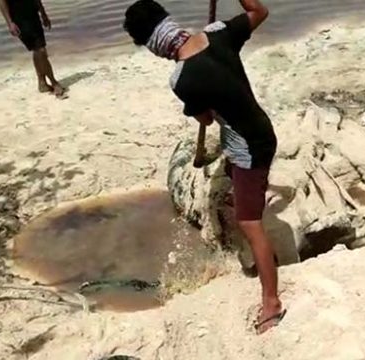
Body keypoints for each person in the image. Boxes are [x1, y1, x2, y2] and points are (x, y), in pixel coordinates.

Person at [123, 0, 284, 334]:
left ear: (153, 45)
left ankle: (271, 302)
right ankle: (247, 202)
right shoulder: (219, 33)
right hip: (261, 128)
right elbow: (259, 12)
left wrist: (200, 100)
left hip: (249, 148)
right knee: (234, 187)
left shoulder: (182, 79)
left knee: (249, 223)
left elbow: (207, 119)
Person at [0, 0, 66, 98]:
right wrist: (10, 23)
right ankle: (54, 83)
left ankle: (42, 83)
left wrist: (43, 14)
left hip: (33, 15)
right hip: (19, 20)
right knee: (40, 50)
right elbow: (1, 2)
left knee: (37, 50)